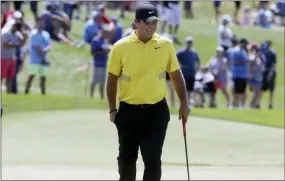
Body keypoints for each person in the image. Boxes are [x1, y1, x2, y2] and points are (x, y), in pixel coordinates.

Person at [106, 3, 190, 181]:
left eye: (154, 23)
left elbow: (175, 74)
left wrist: (184, 103)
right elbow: (112, 79)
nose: (151, 27)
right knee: (126, 161)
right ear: (136, 22)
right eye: (147, 22)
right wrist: (112, 109)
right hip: (129, 112)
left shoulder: (165, 44)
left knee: (152, 159)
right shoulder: (120, 47)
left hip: (157, 112)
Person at [25, 17, 51, 95]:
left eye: (43, 22)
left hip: (44, 58)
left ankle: (43, 92)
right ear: (37, 23)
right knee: (31, 76)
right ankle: (26, 91)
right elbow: (36, 48)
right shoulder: (34, 34)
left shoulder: (46, 34)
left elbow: (49, 45)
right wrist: (43, 57)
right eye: (40, 22)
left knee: (43, 77)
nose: (41, 24)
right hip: (35, 59)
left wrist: (46, 50)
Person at [1, 22, 27, 93]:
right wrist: (16, 45)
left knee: (10, 77)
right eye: (16, 27)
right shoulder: (5, 33)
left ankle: (9, 93)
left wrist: (25, 38)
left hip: (12, 58)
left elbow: (21, 44)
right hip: (3, 58)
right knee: (1, 77)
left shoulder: (17, 34)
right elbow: (5, 44)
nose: (17, 30)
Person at [176, 36, 200, 105]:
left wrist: (197, 70)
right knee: (184, 89)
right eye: (188, 42)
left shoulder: (194, 52)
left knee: (190, 89)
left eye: (190, 42)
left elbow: (198, 61)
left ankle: (188, 103)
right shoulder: (181, 52)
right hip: (184, 73)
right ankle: (182, 102)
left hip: (192, 73)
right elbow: (175, 59)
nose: (189, 43)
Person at [90, 28, 112, 99]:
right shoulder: (95, 40)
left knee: (102, 82)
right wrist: (104, 51)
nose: (107, 36)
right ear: (103, 33)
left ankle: (101, 97)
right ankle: (91, 96)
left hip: (104, 64)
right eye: (106, 34)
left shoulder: (104, 41)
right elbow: (93, 53)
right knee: (95, 81)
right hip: (97, 64)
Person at [230, 38, 249, 109]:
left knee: (242, 91)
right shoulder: (236, 51)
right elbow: (233, 62)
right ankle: (235, 104)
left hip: (243, 75)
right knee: (236, 91)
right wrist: (243, 62)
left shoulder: (244, 51)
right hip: (237, 74)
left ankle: (241, 105)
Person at [248, 43, 266, 109]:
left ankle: (254, 105)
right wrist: (255, 56)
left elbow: (262, 66)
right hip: (253, 77)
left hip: (259, 77)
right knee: (256, 93)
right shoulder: (252, 56)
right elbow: (250, 64)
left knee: (258, 93)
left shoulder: (261, 57)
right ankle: (251, 105)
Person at [261, 40, 277, 109]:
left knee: (271, 89)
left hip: (270, 71)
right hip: (264, 72)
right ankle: (258, 103)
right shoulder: (263, 52)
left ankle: (270, 104)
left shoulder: (272, 53)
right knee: (261, 88)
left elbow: (273, 65)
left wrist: (270, 73)